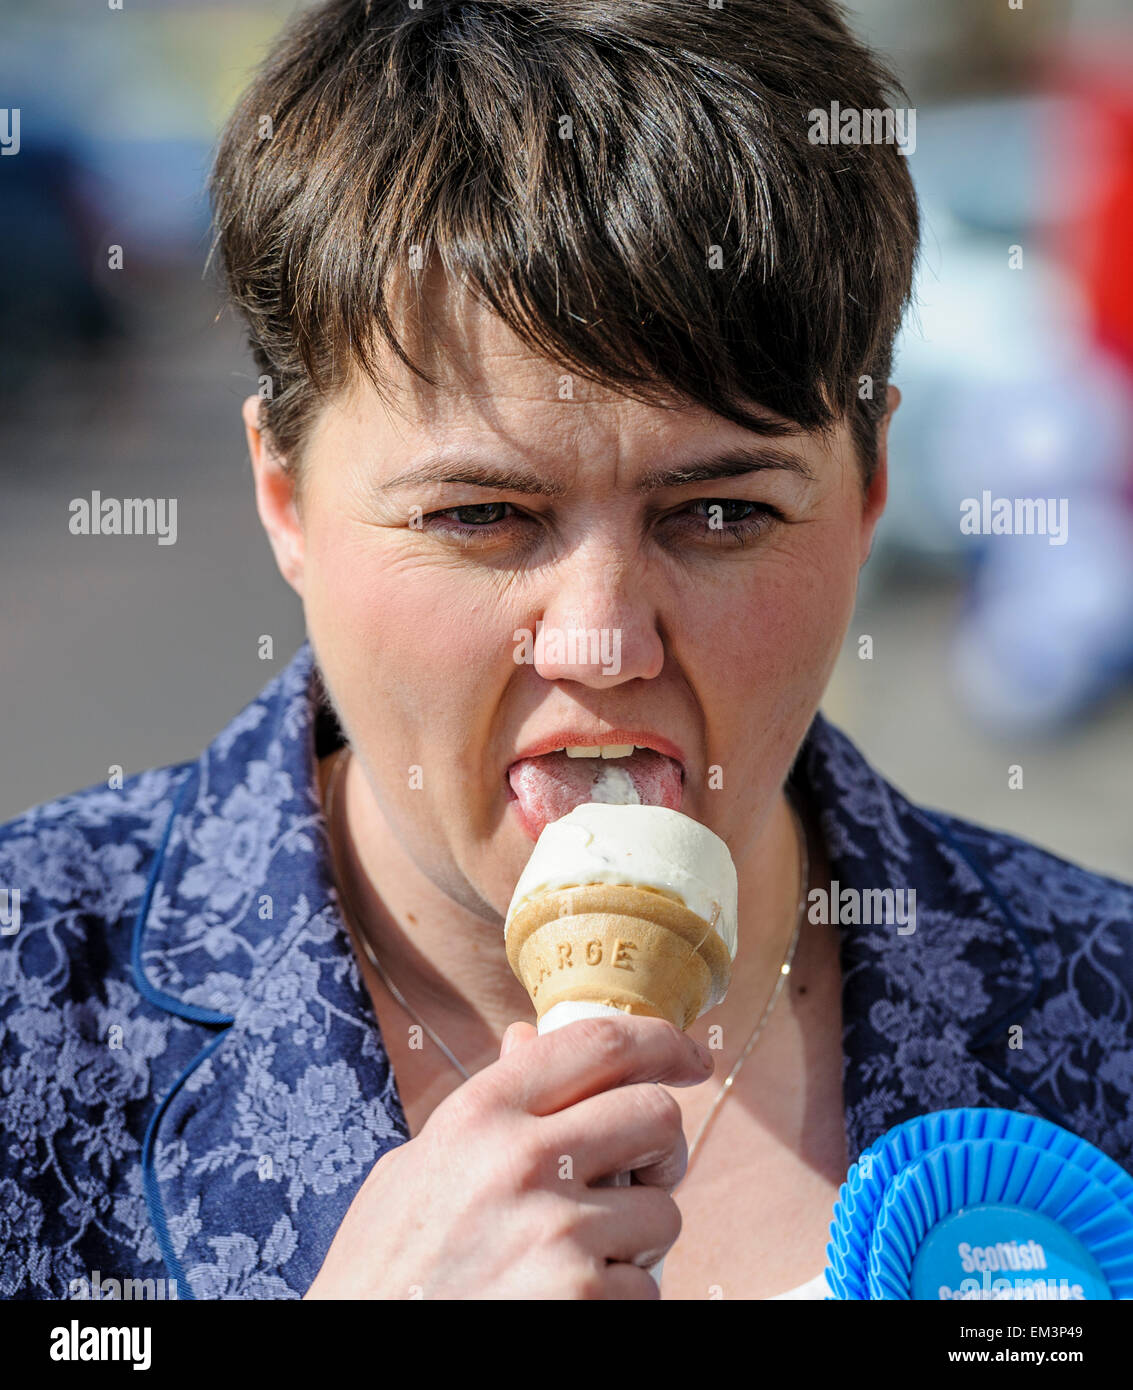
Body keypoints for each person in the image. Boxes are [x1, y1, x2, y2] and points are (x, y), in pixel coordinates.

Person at [2, 0, 1131, 1301]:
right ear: (284, 497)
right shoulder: (31, 1017)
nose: (601, 641)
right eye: (482, 514)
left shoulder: (1093, 1008)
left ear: (869, 490)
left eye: (718, 514)